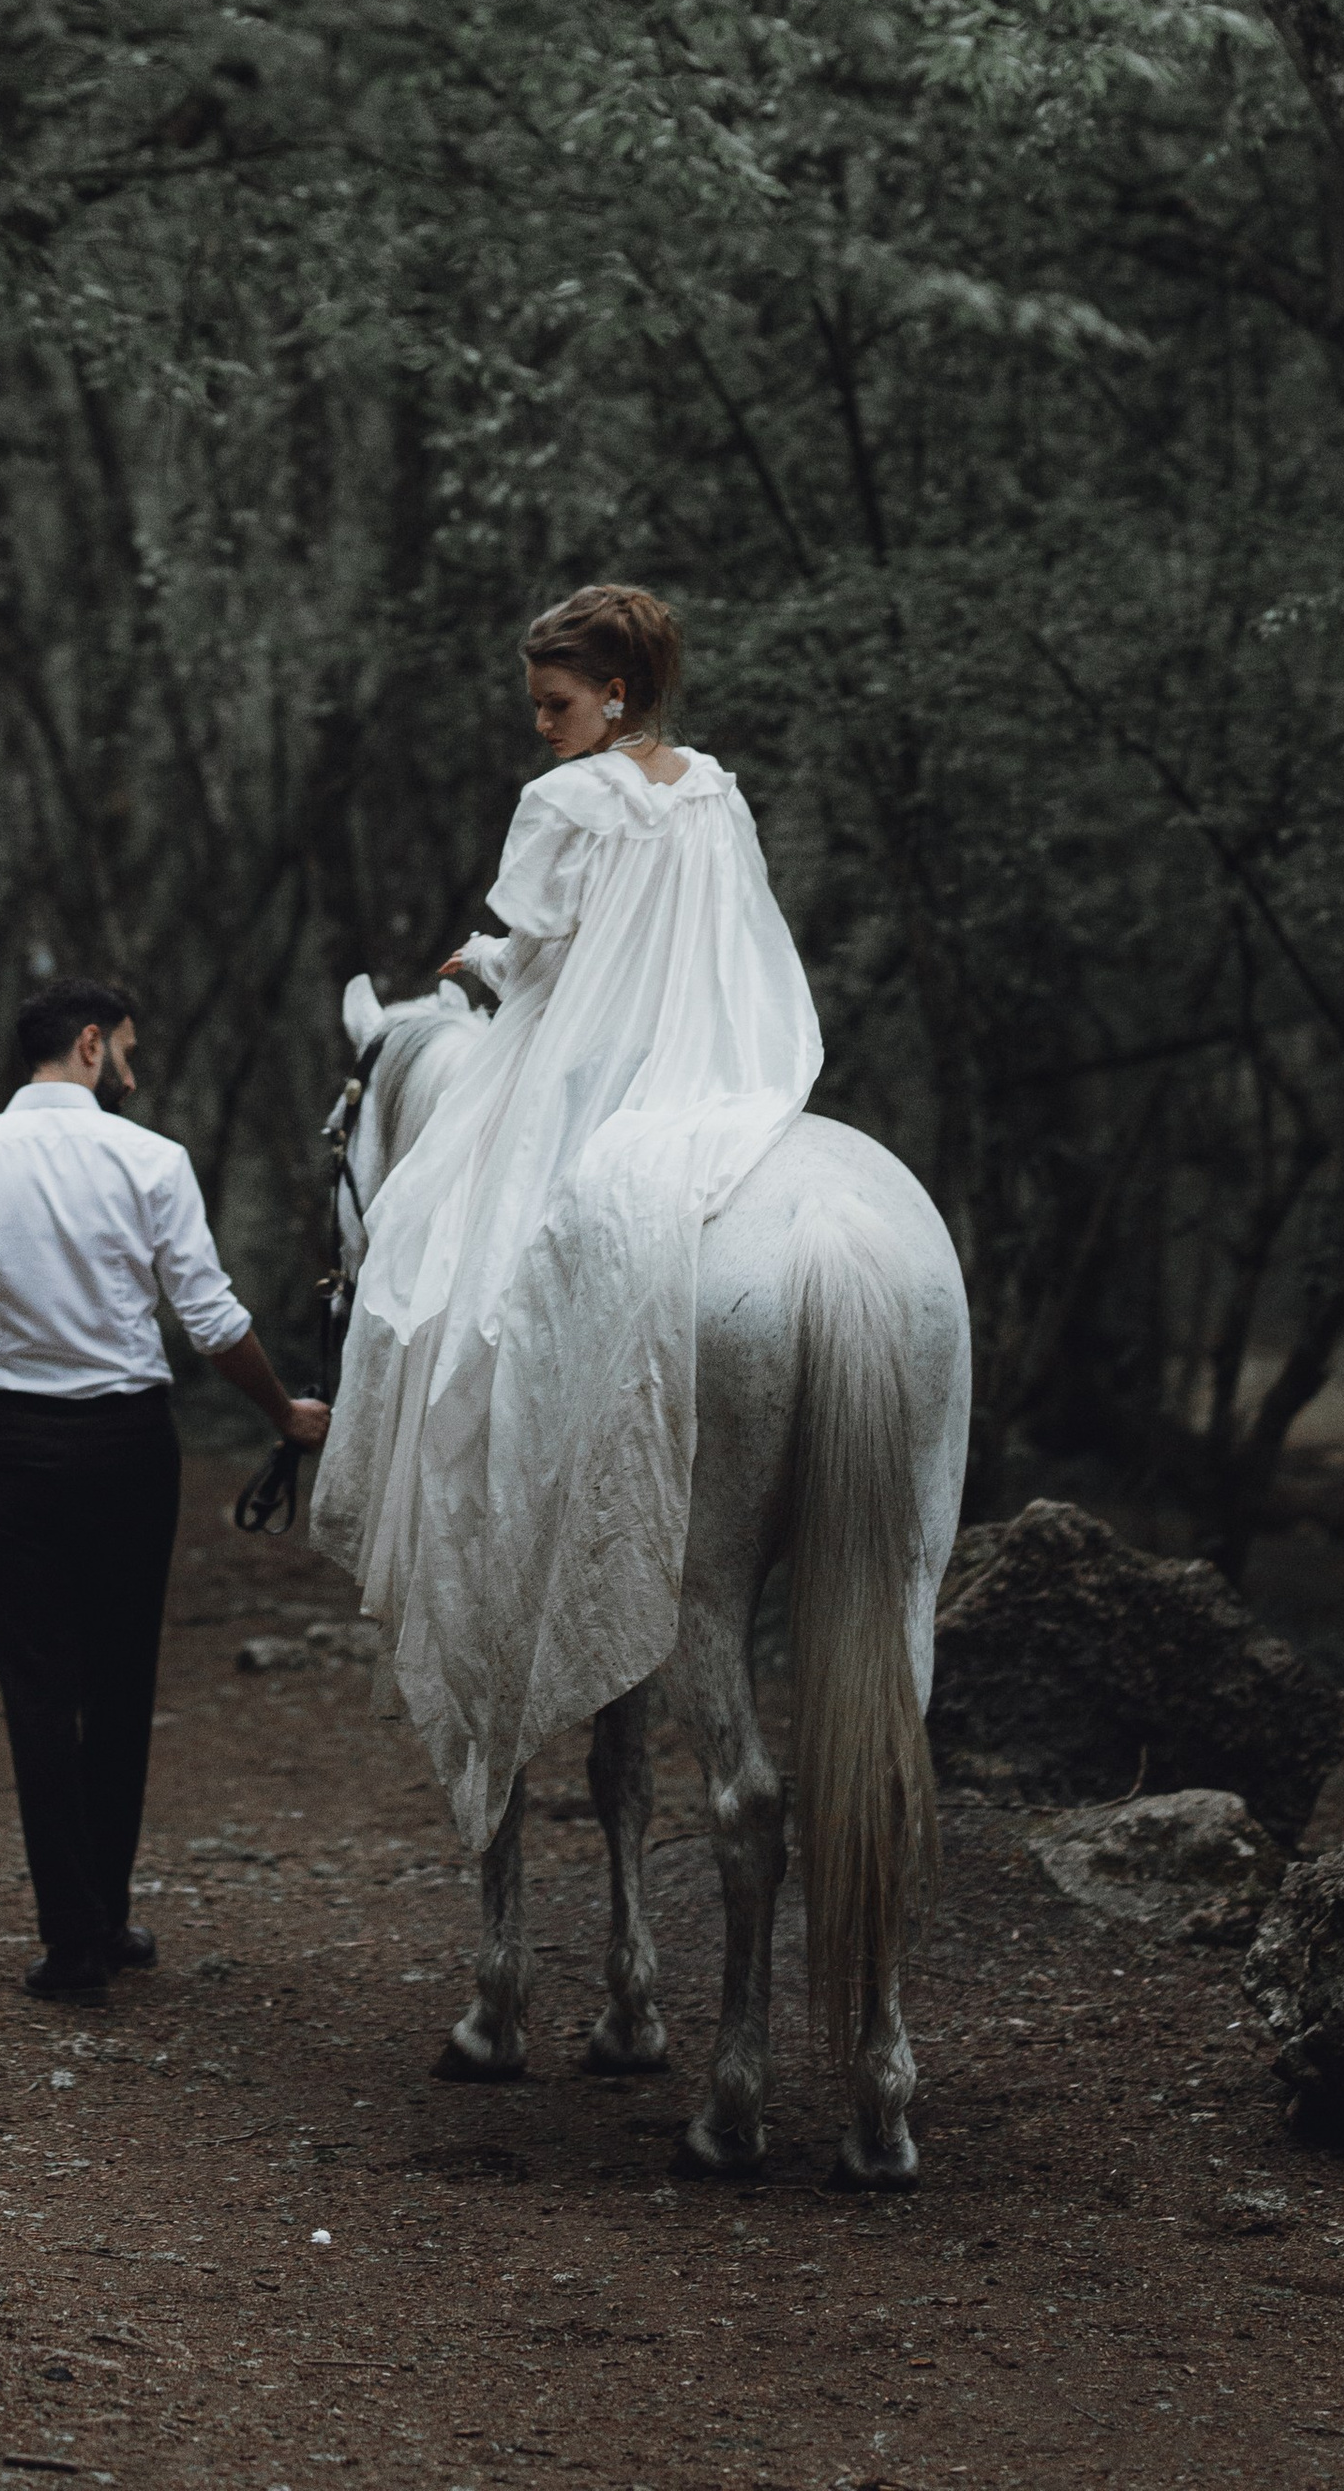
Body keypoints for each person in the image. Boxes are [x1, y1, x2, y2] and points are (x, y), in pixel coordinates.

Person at [311, 584, 823, 1851]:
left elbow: (530, 944)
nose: (540, 725)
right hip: (703, 1062)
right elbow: (731, 940)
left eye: (555, 702)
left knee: (434, 1266)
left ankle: (486, 1524)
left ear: (616, 693)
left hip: (583, 1071)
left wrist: (472, 964)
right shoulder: (710, 787)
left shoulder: (562, 800)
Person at [0, 975, 330, 1999]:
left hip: (10, 1437)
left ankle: (74, 1938)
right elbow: (211, 1317)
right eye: (129, 1051)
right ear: (90, 1045)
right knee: (120, 1681)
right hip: (128, 1444)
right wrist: (282, 1414)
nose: (134, 1073)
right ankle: (102, 1912)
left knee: (36, 1690)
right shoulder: (150, 1160)